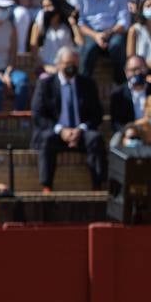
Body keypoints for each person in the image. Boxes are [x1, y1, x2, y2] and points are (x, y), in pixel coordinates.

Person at [30, 45, 106, 192]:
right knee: (47, 139)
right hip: (55, 132)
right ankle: (47, 186)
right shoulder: (46, 84)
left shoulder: (87, 84)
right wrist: (61, 130)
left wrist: (81, 129)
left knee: (95, 138)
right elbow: (38, 115)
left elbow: (97, 114)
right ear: (58, 64)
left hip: (81, 132)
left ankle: (98, 185)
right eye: (67, 64)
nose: (71, 67)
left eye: (75, 64)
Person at [74, 0, 130, 81]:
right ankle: (84, 86)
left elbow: (124, 20)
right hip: (90, 33)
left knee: (117, 46)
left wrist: (109, 33)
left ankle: (120, 85)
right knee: (88, 50)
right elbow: (79, 21)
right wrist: (95, 35)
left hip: (114, 32)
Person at [30, 0, 81, 76]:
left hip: (67, 68)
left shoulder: (67, 25)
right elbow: (33, 46)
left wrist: (74, 25)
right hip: (46, 67)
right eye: (44, 7)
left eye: (49, 6)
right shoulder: (41, 22)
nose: (46, 10)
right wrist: (44, 66)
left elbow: (80, 43)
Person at [109, 53, 151, 131]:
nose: (138, 73)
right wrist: (132, 130)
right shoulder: (118, 94)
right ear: (126, 72)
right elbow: (116, 124)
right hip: (128, 134)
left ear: (147, 69)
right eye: (134, 69)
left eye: (141, 68)